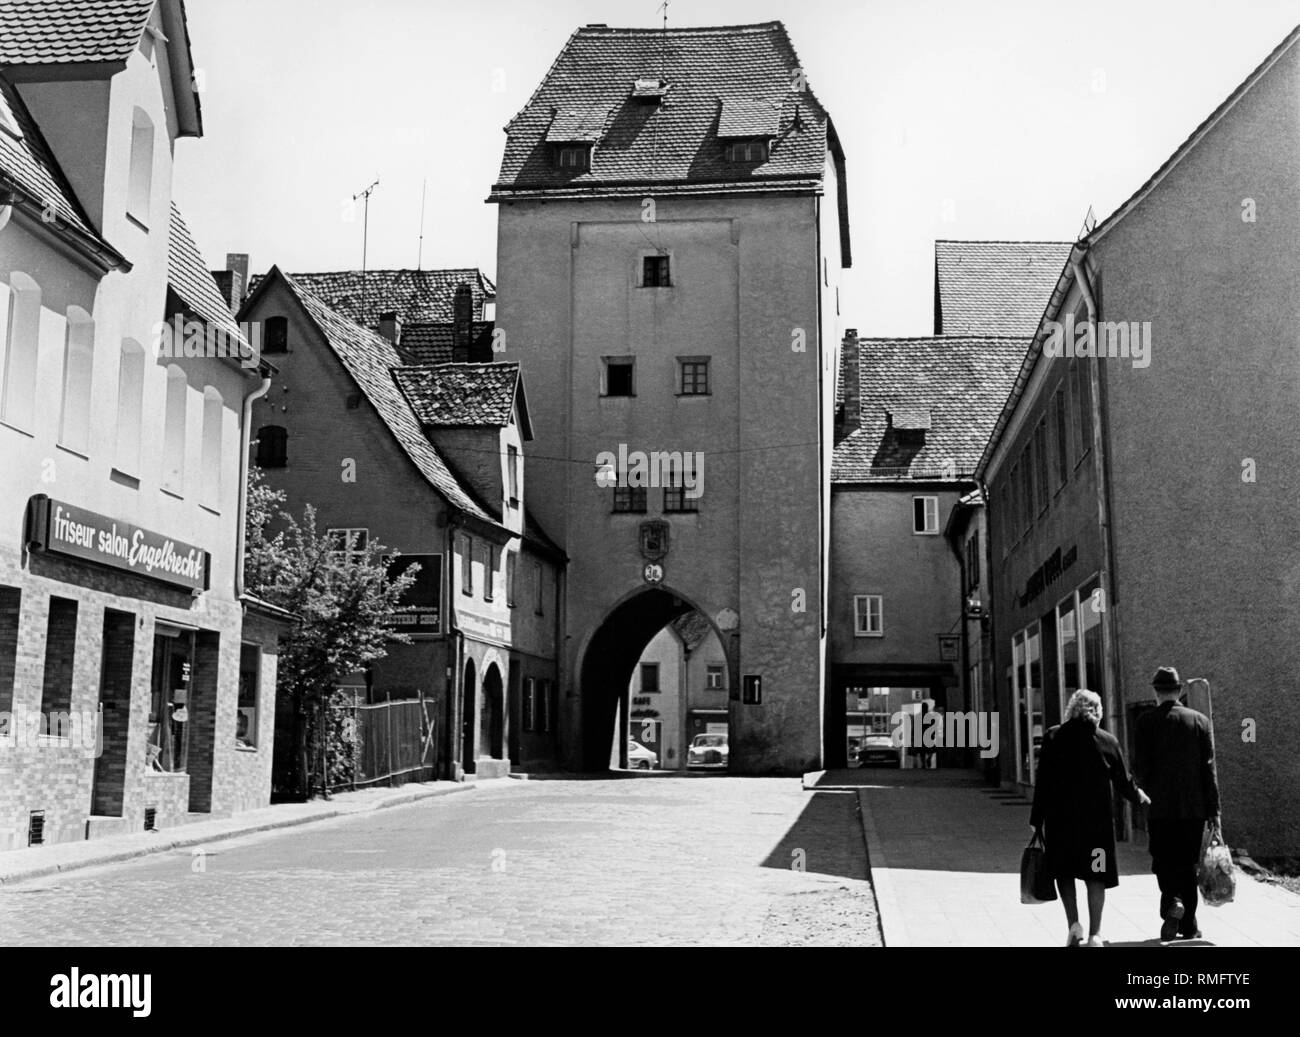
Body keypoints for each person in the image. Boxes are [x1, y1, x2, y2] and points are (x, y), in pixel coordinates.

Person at [1030, 689, 1150, 947]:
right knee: (1096, 876)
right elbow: (1123, 780)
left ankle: (1074, 925)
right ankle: (1095, 934)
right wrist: (1138, 795)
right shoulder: (1107, 741)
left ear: (1071, 709)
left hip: (1061, 823)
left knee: (1064, 872)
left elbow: (1044, 782)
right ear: (1098, 714)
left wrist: (1036, 818)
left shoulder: (1053, 737)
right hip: (1097, 827)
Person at [1135, 666, 1221, 942]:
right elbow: (1209, 770)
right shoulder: (1199, 721)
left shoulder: (1146, 722)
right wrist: (1213, 811)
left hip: (1159, 807)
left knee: (1163, 861)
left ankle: (1173, 902)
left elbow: (1141, 767)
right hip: (1193, 808)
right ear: (1180, 690)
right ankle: (1188, 924)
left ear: (1156, 692)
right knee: (1187, 864)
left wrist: (1143, 795)